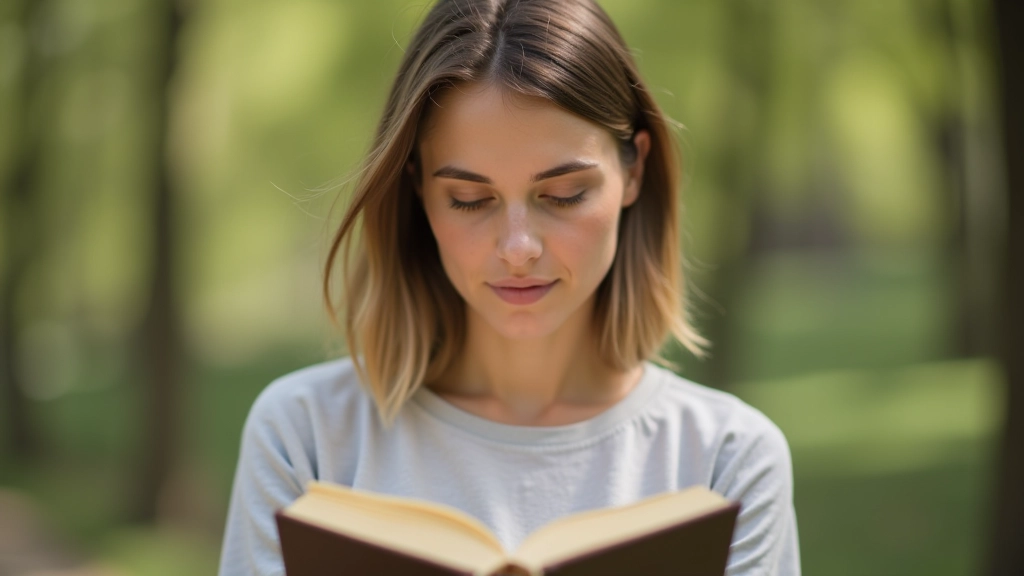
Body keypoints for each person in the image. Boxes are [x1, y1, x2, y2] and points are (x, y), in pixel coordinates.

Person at [217, 0, 800, 574]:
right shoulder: (307, 438)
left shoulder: (727, 462)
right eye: (470, 200)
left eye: (564, 193)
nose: (518, 248)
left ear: (633, 171)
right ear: (419, 190)